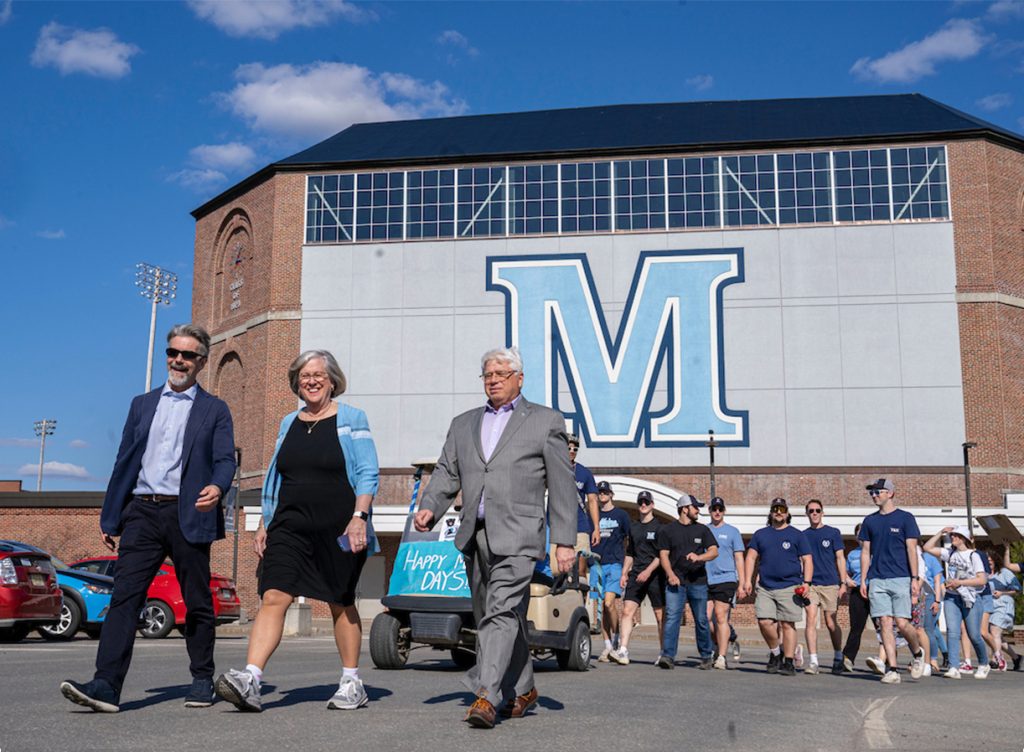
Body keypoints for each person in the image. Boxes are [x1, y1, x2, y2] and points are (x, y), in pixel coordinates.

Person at [60, 324, 236, 713]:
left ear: (202, 362)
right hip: (142, 510)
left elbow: (225, 459)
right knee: (124, 596)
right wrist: (112, 517)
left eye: (187, 355)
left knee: (196, 600)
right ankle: (106, 685)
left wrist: (219, 487)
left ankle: (202, 677)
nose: (178, 360)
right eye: (173, 352)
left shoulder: (215, 409)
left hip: (188, 512)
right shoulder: (141, 404)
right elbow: (124, 460)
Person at [413, 346, 577, 729]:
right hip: (477, 534)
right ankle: (523, 689)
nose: (494, 379)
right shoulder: (463, 423)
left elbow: (562, 484)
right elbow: (446, 471)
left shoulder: (545, 421)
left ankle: (487, 694)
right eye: (488, 374)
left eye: (502, 373)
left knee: (500, 610)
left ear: (520, 378)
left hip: (521, 533)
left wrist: (565, 540)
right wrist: (431, 506)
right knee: (498, 615)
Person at [215, 350, 379, 712]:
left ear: (333, 379)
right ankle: (251, 679)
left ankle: (352, 682)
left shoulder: (352, 418)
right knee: (274, 595)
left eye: (319, 374)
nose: (312, 380)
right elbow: (278, 476)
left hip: (339, 525)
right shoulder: (288, 422)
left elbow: (368, 471)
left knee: (340, 601)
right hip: (289, 525)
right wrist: (264, 522)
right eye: (304, 375)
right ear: (296, 383)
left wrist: (359, 517)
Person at [858, 478, 926, 684]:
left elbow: (911, 549)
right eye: (872, 492)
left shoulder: (905, 518)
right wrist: (863, 580)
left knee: (902, 623)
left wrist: (915, 578)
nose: (874, 495)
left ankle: (917, 653)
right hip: (877, 579)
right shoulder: (870, 521)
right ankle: (893, 669)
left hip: (901, 577)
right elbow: (865, 552)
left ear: (890, 493)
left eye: (878, 492)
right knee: (885, 623)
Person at [743, 498, 812, 677]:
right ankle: (776, 653)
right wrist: (747, 581)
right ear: (771, 512)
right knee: (764, 621)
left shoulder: (797, 535)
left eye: (782, 509)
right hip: (766, 586)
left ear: (787, 513)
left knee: (788, 624)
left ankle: (788, 661)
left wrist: (807, 582)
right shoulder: (761, 534)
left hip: (790, 585)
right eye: (775, 509)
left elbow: (807, 559)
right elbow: (750, 558)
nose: (779, 512)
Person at [655, 495, 718, 670]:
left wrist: (699, 557)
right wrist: (670, 574)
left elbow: (714, 551)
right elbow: (663, 555)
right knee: (672, 618)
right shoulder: (668, 530)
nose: (698, 510)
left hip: (698, 582)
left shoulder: (702, 530)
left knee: (701, 620)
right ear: (684, 509)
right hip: (676, 582)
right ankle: (667, 656)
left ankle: (706, 656)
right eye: (695, 507)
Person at [921, 526, 989, 679]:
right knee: (952, 631)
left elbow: (982, 579)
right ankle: (953, 667)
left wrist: (961, 582)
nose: (953, 538)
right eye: (952, 536)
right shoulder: (950, 553)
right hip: (952, 597)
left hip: (970, 597)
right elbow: (927, 547)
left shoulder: (973, 556)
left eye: (956, 536)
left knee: (974, 635)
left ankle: (984, 663)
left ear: (963, 538)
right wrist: (940, 532)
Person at [611, 490, 664, 665]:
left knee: (659, 615)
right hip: (636, 574)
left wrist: (648, 571)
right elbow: (630, 553)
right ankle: (623, 650)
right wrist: (624, 573)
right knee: (627, 611)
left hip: (655, 575)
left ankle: (664, 652)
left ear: (652, 505)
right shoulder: (633, 527)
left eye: (646, 502)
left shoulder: (659, 527)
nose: (643, 505)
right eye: (641, 502)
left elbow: (661, 555)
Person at [801, 499, 847, 676]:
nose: (814, 513)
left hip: (830, 583)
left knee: (830, 622)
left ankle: (838, 656)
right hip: (811, 584)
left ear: (822, 512)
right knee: (811, 619)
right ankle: (813, 661)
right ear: (807, 514)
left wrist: (843, 582)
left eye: (817, 510)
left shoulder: (833, 533)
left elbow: (840, 558)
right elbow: (800, 560)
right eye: (811, 511)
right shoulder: (802, 535)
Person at [592, 480, 631, 662]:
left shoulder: (621, 515)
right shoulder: (594, 514)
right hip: (596, 564)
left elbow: (630, 539)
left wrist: (626, 567)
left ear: (611, 495)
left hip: (614, 563)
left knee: (609, 603)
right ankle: (607, 646)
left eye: (605, 492)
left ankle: (616, 640)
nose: (602, 495)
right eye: (600, 492)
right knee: (600, 608)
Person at [705, 496, 745, 669]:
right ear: (710, 511)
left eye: (720, 509)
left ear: (724, 511)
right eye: (714, 509)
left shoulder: (733, 532)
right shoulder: (703, 530)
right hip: (706, 578)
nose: (717, 512)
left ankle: (721, 656)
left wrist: (742, 582)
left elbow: (739, 557)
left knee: (720, 616)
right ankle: (726, 639)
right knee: (706, 618)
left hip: (726, 578)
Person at [568, 434, 601, 577]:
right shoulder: (553, 468)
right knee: (557, 568)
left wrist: (596, 528)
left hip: (579, 525)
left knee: (580, 569)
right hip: (556, 525)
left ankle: (579, 598)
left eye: (575, 449)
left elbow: (593, 500)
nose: (572, 451)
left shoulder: (584, 472)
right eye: (568, 447)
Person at [840, 523, 869, 673]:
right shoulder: (852, 555)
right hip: (858, 591)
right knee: (856, 627)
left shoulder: (876, 550)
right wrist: (846, 580)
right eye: (858, 533)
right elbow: (844, 572)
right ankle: (848, 659)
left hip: (875, 590)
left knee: (883, 627)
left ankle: (888, 661)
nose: (861, 536)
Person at [987, 549, 1020, 671]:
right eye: (987, 561)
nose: (989, 563)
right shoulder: (984, 574)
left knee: (994, 632)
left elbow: (1017, 589)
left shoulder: (1005, 573)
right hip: (990, 606)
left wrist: (1002, 593)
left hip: (1003, 605)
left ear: (996, 561)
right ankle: (1016, 657)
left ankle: (997, 660)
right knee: (996, 636)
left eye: (990, 561)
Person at [922, 548, 948, 673]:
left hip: (931, 599)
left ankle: (933, 658)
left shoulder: (930, 560)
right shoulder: (907, 558)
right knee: (927, 630)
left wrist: (939, 601)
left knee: (930, 630)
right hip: (917, 599)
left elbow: (940, 583)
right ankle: (924, 658)